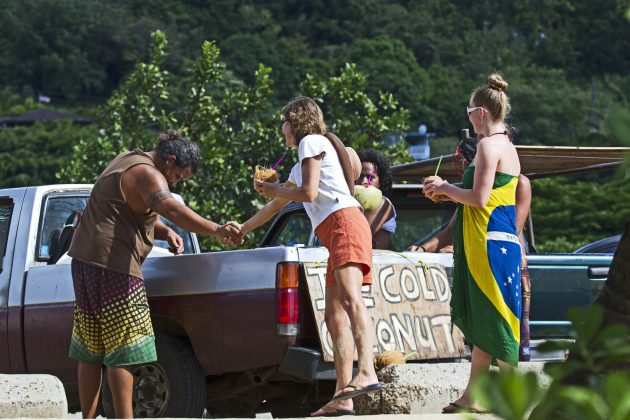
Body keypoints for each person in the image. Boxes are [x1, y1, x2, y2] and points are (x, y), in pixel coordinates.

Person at [67, 130, 242, 419]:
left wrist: (164, 231)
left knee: (91, 347)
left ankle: (87, 417)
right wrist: (217, 229)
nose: (176, 182)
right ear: (169, 159)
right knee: (125, 349)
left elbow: (129, 210)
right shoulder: (150, 174)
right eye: (178, 176)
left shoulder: (127, 159)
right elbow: (171, 207)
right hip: (115, 267)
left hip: (85, 262)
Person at [233, 97, 382, 417]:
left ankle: (367, 370)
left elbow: (309, 193)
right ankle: (343, 396)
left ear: (296, 121)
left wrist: (275, 191)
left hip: (344, 224)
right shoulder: (301, 162)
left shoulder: (311, 142)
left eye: (285, 121)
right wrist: (244, 228)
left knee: (351, 299)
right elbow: (278, 204)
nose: (282, 128)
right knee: (334, 315)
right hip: (338, 230)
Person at [423, 73, 522, 413]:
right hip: (502, 240)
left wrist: (444, 187)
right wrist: (448, 190)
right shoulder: (508, 147)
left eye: (468, 111)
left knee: (495, 316)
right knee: (490, 314)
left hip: (487, 241)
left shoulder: (487, 146)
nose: (467, 117)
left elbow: (479, 199)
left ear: (480, 112)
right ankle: (472, 396)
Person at [410, 174, 532, 361]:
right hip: (478, 262)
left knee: (505, 332)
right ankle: (476, 388)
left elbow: (512, 229)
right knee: (483, 332)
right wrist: (422, 249)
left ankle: (510, 384)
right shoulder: (475, 186)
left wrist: (446, 189)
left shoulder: (519, 183)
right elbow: (451, 230)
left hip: (505, 262)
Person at [357, 149, 397, 249]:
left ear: (381, 181)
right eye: (360, 176)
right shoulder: (351, 201)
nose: (364, 181)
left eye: (371, 177)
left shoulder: (382, 203)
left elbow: (359, 237)